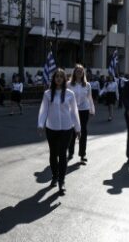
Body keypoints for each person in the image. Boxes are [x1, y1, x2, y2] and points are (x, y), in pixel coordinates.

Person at [37, 68, 81, 196]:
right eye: (57, 76)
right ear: (54, 79)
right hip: (52, 128)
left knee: (63, 155)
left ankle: (62, 181)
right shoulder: (47, 93)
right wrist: (40, 124)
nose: (59, 79)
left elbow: (74, 112)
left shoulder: (69, 94)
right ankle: (54, 176)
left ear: (64, 79)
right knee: (53, 154)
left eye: (61, 77)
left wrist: (77, 128)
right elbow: (44, 110)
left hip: (67, 128)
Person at [68, 65, 95, 164]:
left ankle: (82, 154)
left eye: (81, 71)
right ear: (74, 73)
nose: (79, 73)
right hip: (72, 111)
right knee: (73, 132)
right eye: (77, 71)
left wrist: (92, 110)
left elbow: (90, 98)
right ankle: (70, 152)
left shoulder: (87, 85)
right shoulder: (69, 84)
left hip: (84, 110)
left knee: (83, 131)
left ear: (83, 73)